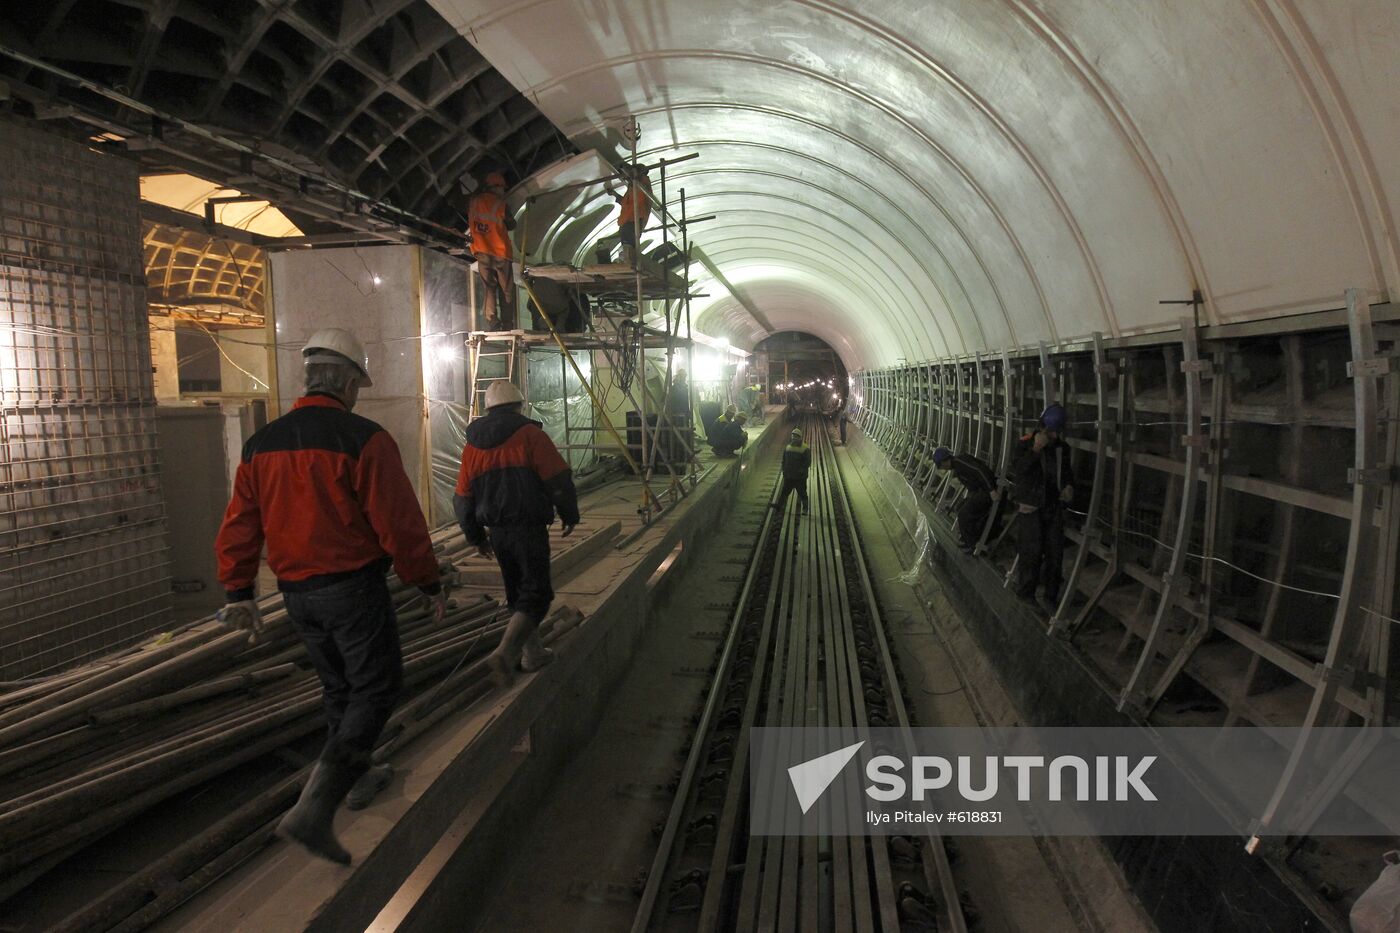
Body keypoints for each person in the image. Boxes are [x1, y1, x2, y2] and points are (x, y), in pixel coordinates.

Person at [215, 328, 445, 865]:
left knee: (340, 688)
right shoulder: (363, 439)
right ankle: (314, 809)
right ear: (347, 382)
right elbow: (399, 523)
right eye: (358, 385)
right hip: (352, 589)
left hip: (296, 594)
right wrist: (427, 581)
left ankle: (356, 777)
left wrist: (239, 591)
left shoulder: (262, 443)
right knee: (377, 687)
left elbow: (240, 524)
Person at [454, 380, 580, 687]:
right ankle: (505, 651)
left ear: (488, 409)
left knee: (517, 593)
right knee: (537, 594)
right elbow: (558, 480)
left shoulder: (472, 448)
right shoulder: (530, 435)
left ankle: (532, 653)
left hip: (497, 534)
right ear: (518, 406)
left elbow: (462, 498)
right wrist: (569, 514)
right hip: (528, 528)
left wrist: (475, 537)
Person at [1007, 403, 1075, 606]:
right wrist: (1035, 450)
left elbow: (1066, 473)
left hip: (1053, 506)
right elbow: (1018, 470)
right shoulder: (1025, 444)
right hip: (1031, 506)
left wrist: (1068, 487)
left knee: (1055, 552)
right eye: (1051, 431)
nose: (1054, 435)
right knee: (1031, 552)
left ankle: (1050, 596)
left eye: (1056, 432)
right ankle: (1026, 594)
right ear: (1042, 427)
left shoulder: (1062, 448)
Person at [468, 171, 516, 330]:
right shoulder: (500, 204)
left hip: (481, 250)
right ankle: (507, 324)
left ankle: (492, 320)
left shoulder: (474, 202)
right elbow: (512, 224)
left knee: (489, 287)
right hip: (500, 251)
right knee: (506, 290)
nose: (503, 191)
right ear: (496, 187)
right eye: (502, 188)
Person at [933, 447, 999, 551]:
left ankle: (973, 544)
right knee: (959, 508)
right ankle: (968, 540)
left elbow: (980, 471)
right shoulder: (957, 467)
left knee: (964, 514)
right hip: (980, 492)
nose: (943, 469)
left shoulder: (961, 461)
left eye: (941, 466)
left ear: (944, 461)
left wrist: (991, 489)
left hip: (987, 491)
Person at [610, 162, 652, 265]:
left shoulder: (642, 184)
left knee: (628, 247)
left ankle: (628, 263)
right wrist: (615, 194)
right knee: (627, 246)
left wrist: (630, 176)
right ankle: (627, 262)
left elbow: (637, 202)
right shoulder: (633, 186)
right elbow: (627, 203)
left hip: (633, 221)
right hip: (628, 221)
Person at [774, 429, 811, 513]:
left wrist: (800, 471)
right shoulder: (788, 447)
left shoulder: (805, 448)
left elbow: (807, 462)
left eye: (796, 437)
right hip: (789, 476)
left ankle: (805, 508)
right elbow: (784, 460)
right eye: (793, 436)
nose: (794, 438)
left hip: (800, 477)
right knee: (784, 492)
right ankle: (779, 506)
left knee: (802, 493)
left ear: (800, 438)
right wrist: (784, 469)